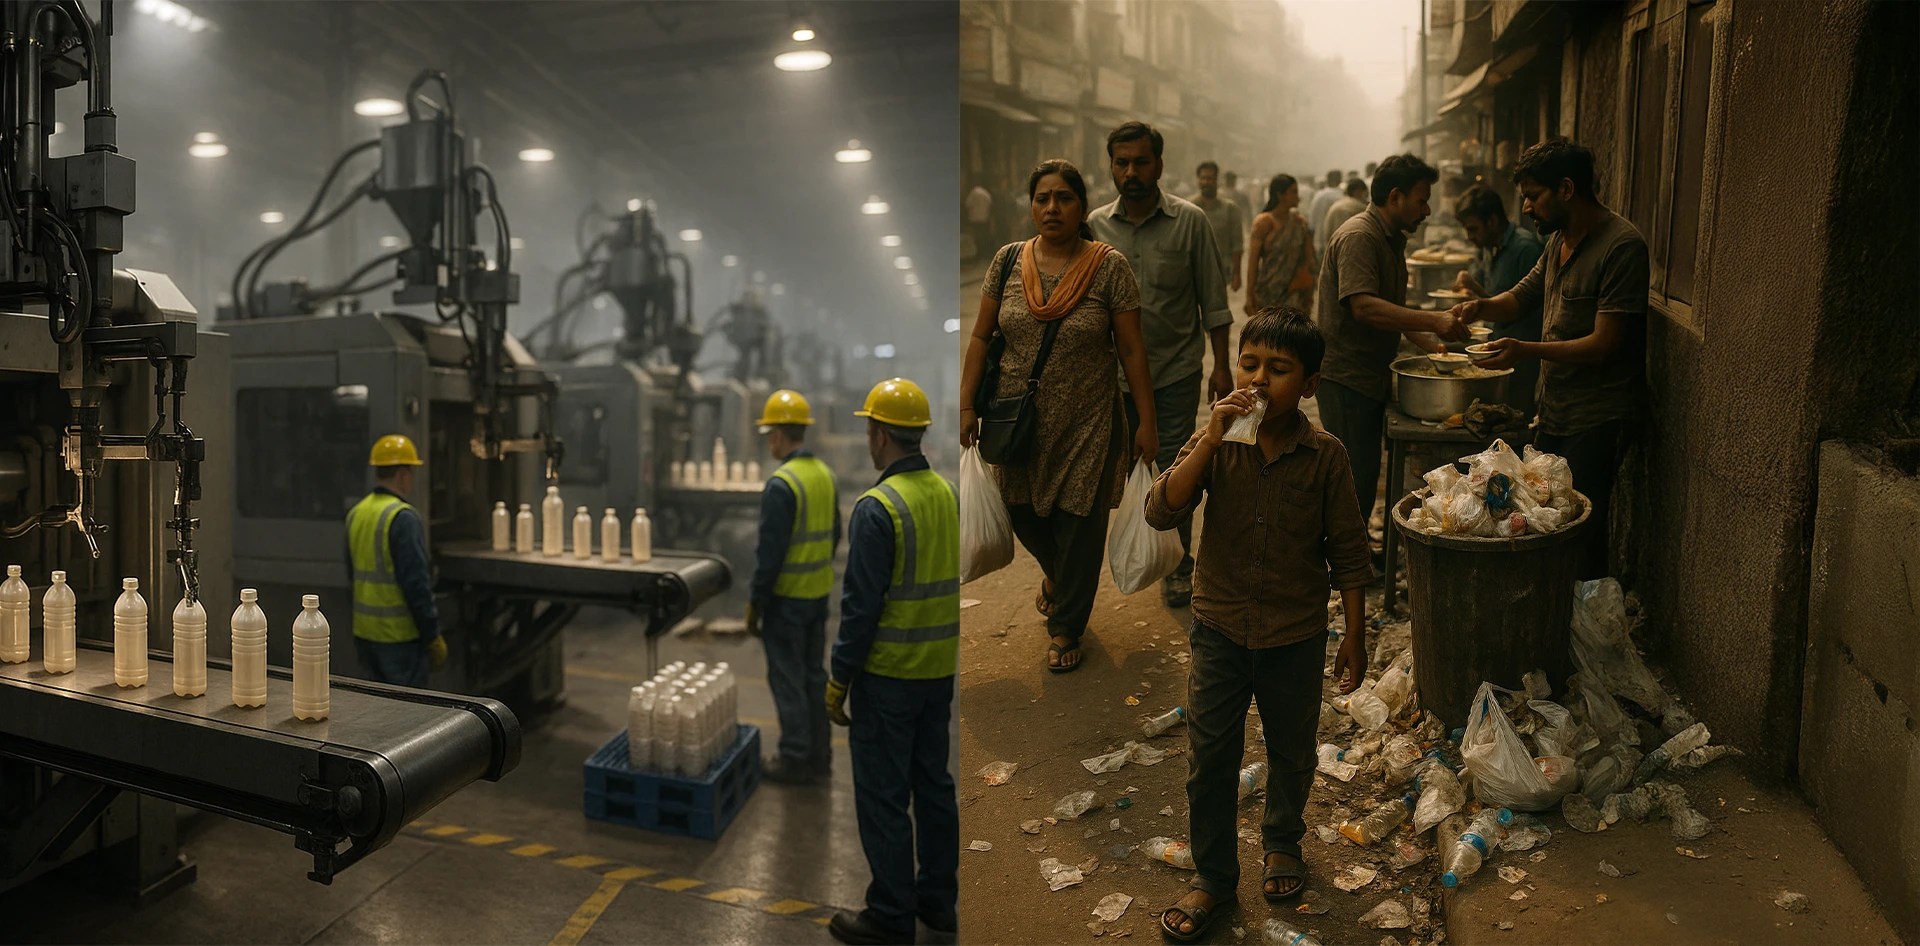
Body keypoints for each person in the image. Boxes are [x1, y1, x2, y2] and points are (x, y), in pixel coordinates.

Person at [1144, 309, 1373, 941]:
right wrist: (1212, 437)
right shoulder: (1220, 441)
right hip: (1218, 627)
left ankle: (1282, 842)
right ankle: (1214, 877)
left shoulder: (1325, 457)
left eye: (1279, 368)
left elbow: (1350, 552)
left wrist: (1354, 634)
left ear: (1309, 384)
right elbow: (1162, 510)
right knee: (1209, 757)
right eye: (1251, 365)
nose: (1261, 379)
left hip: (1294, 636)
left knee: (1291, 749)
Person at [961, 159, 1155, 673]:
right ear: (1030, 206)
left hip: (1088, 422)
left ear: (1082, 207)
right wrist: (965, 406)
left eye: (1064, 198)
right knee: (1021, 512)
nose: (1052, 208)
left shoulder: (1109, 266)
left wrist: (1146, 422)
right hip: (1017, 422)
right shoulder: (1006, 262)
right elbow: (981, 337)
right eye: (1042, 198)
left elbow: (1132, 351)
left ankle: (1066, 625)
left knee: (1080, 525)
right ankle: (1059, 579)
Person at [1453, 138, 1648, 579]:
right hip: (1556, 408)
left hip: (1599, 415)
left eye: (1533, 196)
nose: (1525, 208)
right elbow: (1521, 298)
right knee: (1543, 517)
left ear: (1565, 188)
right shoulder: (1558, 240)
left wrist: (1524, 350)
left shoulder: (1621, 246)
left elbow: (1604, 343)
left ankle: (1588, 628)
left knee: (1581, 529)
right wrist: (1480, 307)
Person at [825, 378, 960, 946]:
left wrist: (838, 679)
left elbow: (860, 610)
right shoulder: (947, 493)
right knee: (933, 787)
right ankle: (937, 903)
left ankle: (889, 915)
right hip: (937, 673)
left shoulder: (877, 508)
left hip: (887, 678)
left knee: (882, 795)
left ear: (878, 433)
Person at [1089, 121, 1233, 609]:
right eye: (1121, 162)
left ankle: (1177, 563)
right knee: (1105, 474)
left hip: (1173, 371)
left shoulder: (1190, 222)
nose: (1130, 172)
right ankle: (1088, 571)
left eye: (1140, 162)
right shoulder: (1094, 227)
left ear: (1159, 166)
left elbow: (1212, 299)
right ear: (1111, 166)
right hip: (1108, 381)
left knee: (1175, 467)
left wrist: (1221, 365)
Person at [1314, 154, 1468, 537]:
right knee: (1352, 476)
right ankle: (1341, 564)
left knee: (1364, 472)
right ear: (1395, 197)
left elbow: (1392, 309)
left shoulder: (1390, 238)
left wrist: (1434, 346)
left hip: (1369, 374)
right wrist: (1433, 320)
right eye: (1421, 199)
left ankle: (1351, 550)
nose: (1427, 209)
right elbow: (1364, 306)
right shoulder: (1359, 237)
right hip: (1346, 377)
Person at [748, 389, 841, 785]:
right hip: (818, 597)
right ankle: (820, 755)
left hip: (785, 603)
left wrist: (755, 603)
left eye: (770, 433)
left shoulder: (781, 484)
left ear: (778, 435)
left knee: (786, 678)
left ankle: (794, 757)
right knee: (813, 676)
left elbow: (769, 557)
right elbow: (836, 534)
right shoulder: (824, 474)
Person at [345, 434, 445, 687]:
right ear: (402, 474)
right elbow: (416, 584)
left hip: (365, 636)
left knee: (379, 715)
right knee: (408, 718)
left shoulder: (357, 513)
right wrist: (432, 635)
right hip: (400, 641)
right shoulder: (403, 518)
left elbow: (351, 574)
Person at [1451, 183, 1546, 413]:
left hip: (1521, 362)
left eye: (1473, 229)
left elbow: (1520, 308)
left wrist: (1476, 292)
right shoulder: (1489, 246)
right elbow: (1487, 294)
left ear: (1492, 222)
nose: (1469, 237)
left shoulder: (1526, 249)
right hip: (1495, 352)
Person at [1246, 174, 1316, 315]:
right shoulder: (1264, 222)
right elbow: (1253, 263)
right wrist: (1249, 295)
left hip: (1294, 292)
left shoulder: (1299, 223)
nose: (1298, 197)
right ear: (1280, 195)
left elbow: (1310, 260)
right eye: (1293, 192)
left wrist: (1308, 291)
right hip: (1267, 294)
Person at [1191, 161, 1246, 293]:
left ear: (1216, 180)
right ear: (1198, 181)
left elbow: (1237, 245)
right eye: (1203, 178)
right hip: (1192, 271)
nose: (1206, 182)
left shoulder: (1229, 209)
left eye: (1210, 178)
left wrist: (1237, 275)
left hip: (1219, 272)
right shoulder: (1189, 208)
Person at [1318, 178, 1369, 265]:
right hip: (1352, 258)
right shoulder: (1359, 208)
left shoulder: (1336, 205)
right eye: (1365, 193)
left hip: (1332, 255)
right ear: (1358, 191)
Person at [1305, 169, 1344, 248]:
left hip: (1320, 240)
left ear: (1327, 179)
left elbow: (1311, 221)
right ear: (1340, 180)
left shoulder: (1319, 195)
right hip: (1340, 241)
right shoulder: (1343, 195)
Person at [964, 181, 993, 262]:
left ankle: (978, 254)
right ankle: (984, 253)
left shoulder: (972, 193)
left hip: (974, 218)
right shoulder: (985, 193)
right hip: (984, 218)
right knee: (984, 236)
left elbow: (967, 204)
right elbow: (990, 203)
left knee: (976, 237)